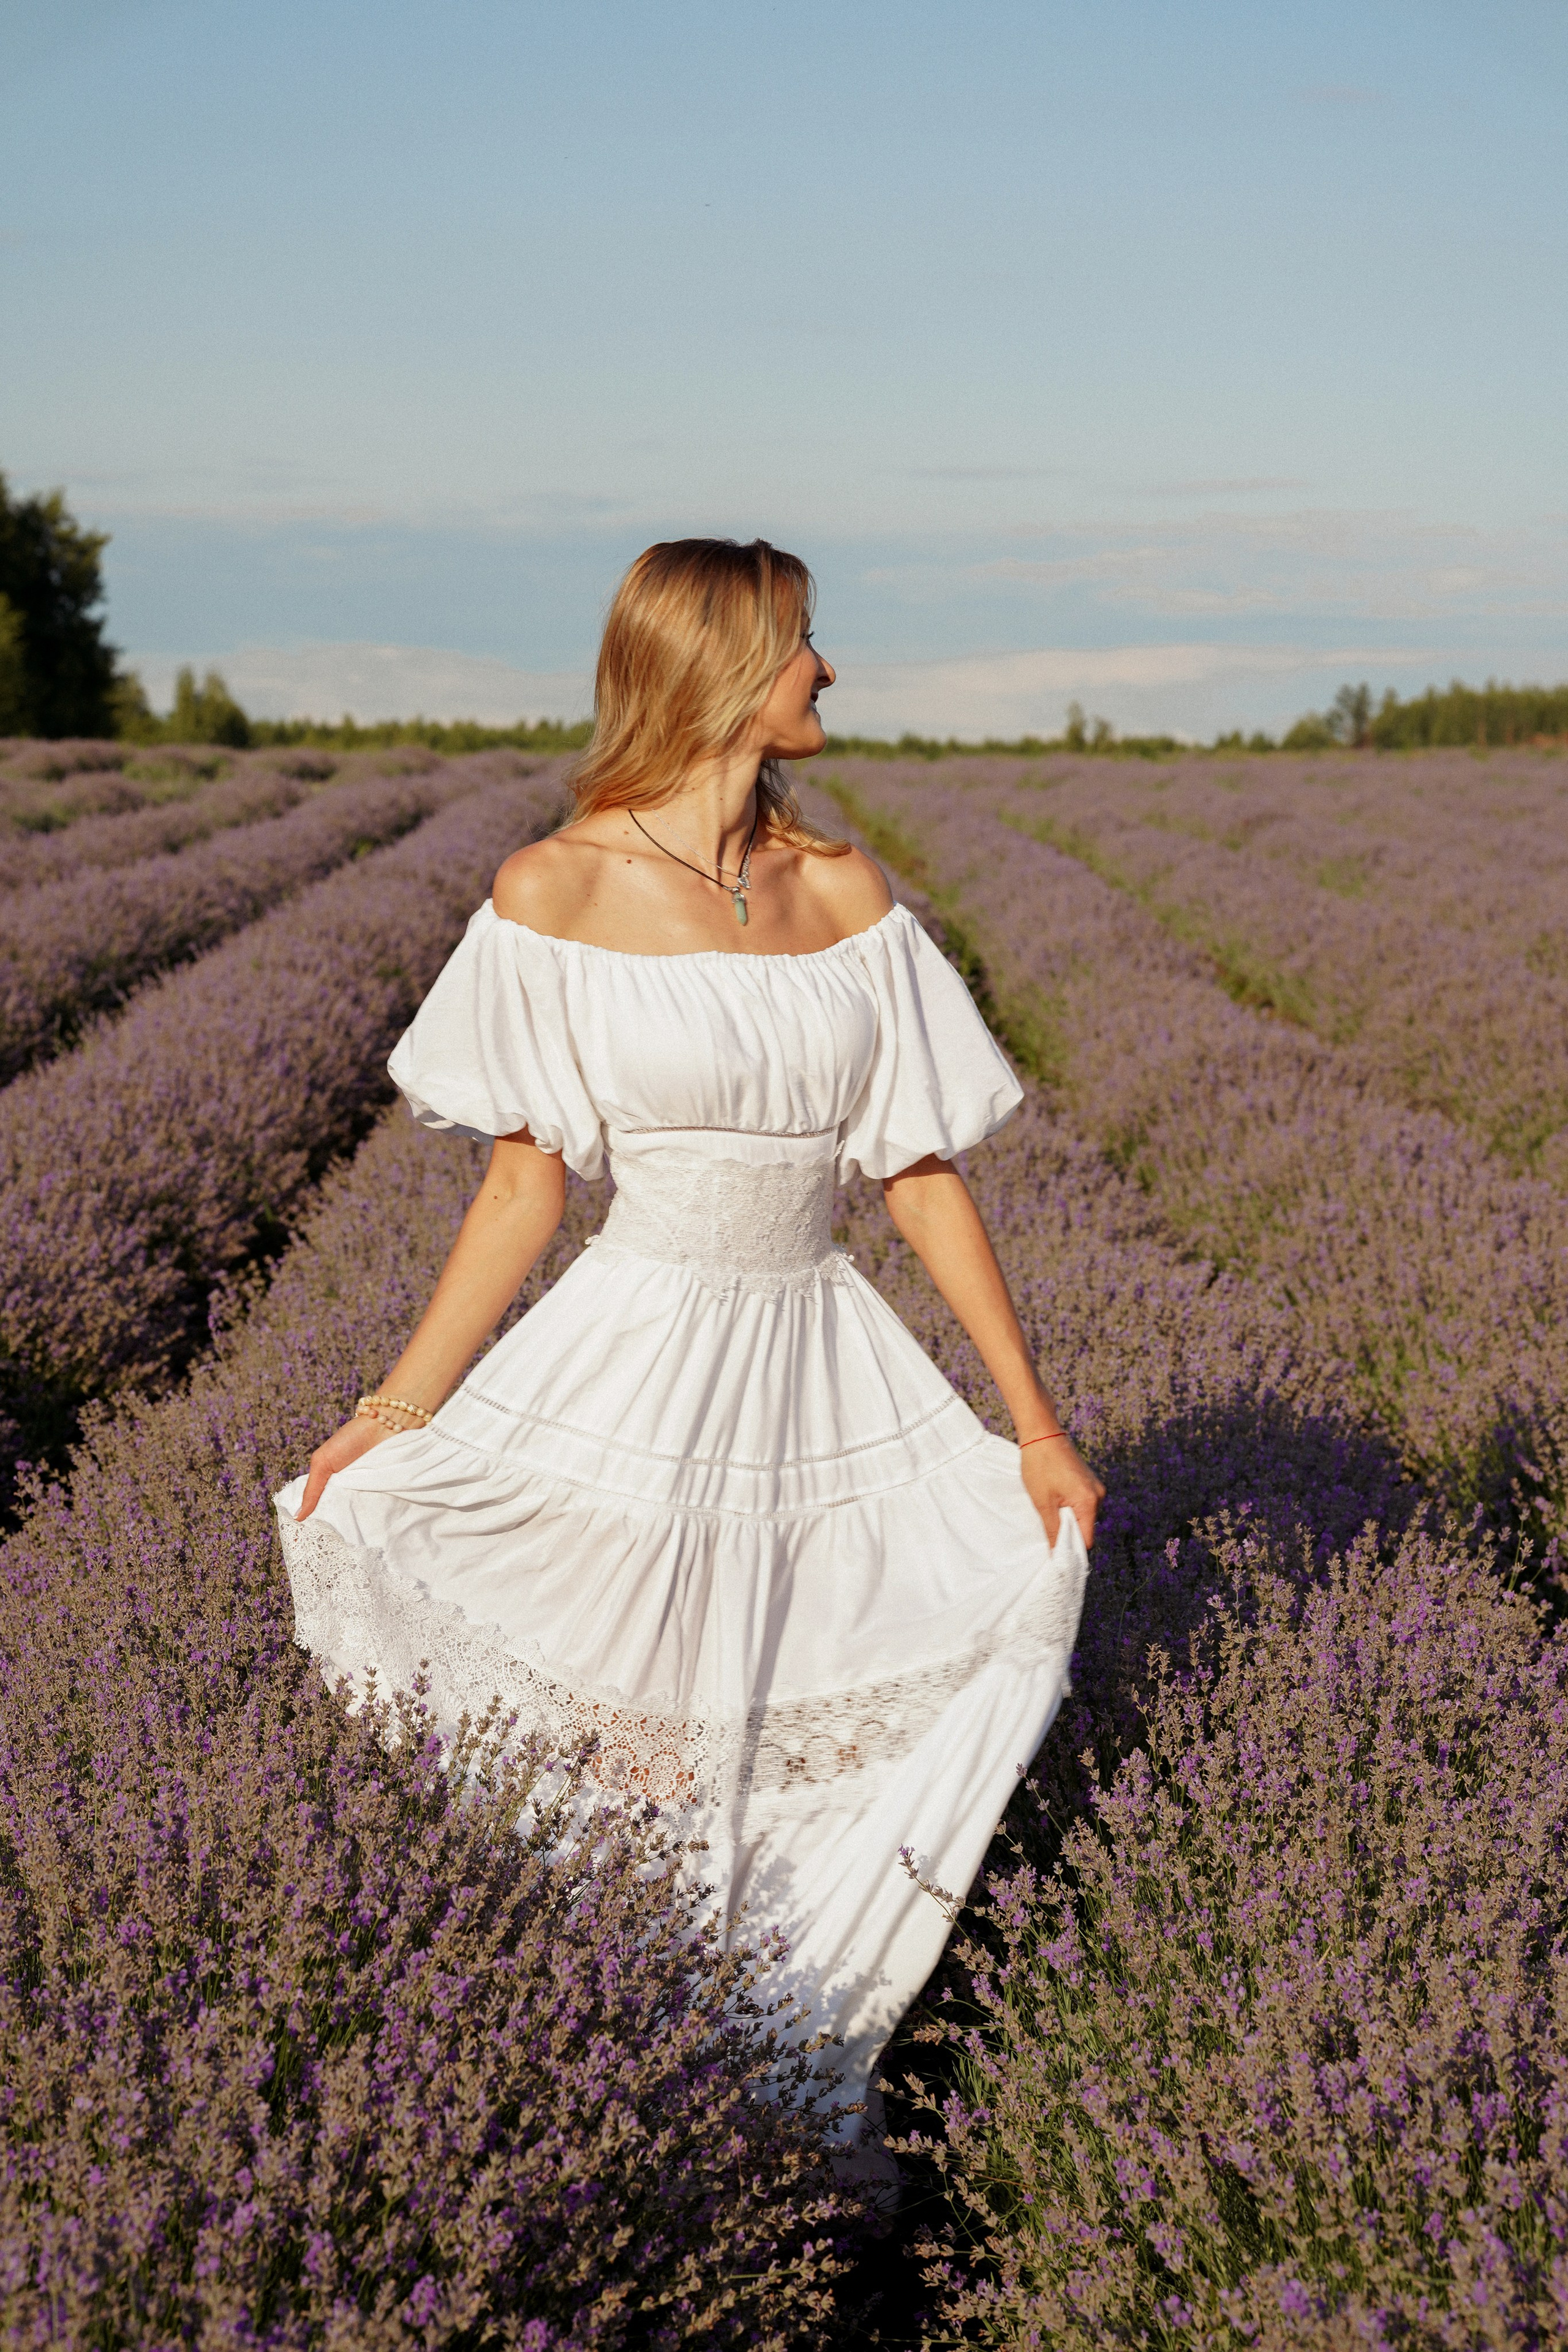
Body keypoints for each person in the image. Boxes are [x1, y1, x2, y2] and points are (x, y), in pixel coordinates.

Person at [273, 537, 1102, 2172]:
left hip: (824, 1362)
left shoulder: (847, 892)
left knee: (790, 1708)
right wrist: (387, 1417)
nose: (829, 673)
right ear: (724, 663)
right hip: (636, 1362)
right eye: (805, 644)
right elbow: (525, 1188)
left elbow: (920, 1178)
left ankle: (791, 2098)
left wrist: (1033, 1429)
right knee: (634, 1738)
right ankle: (624, 2091)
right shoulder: (551, 891)